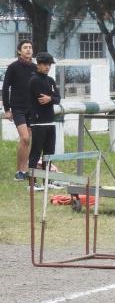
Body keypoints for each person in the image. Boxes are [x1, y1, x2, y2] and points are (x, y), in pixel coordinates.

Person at [2, 39, 36, 181]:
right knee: (25, 138)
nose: (28, 49)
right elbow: (5, 88)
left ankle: (24, 169)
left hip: (32, 109)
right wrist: (7, 109)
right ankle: (19, 171)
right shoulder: (13, 67)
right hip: (18, 108)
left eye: (30, 47)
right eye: (25, 47)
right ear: (19, 51)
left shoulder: (35, 67)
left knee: (27, 141)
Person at [28, 52, 61, 190]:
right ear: (38, 64)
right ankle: (32, 182)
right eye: (45, 64)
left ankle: (48, 180)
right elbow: (41, 100)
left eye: (49, 64)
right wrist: (50, 98)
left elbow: (58, 98)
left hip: (50, 121)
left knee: (49, 152)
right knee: (36, 152)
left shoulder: (51, 80)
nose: (47, 67)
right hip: (38, 121)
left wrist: (51, 98)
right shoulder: (34, 80)